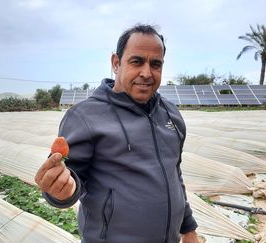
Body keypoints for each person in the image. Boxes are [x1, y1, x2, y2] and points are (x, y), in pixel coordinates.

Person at [35, 24, 198, 243]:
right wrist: (60, 190)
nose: (147, 73)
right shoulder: (85, 116)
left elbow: (174, 174)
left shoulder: (170, 114)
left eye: (155, 64)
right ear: (116, 62)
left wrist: (188, 228)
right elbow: (71, 177)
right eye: (137, 61)